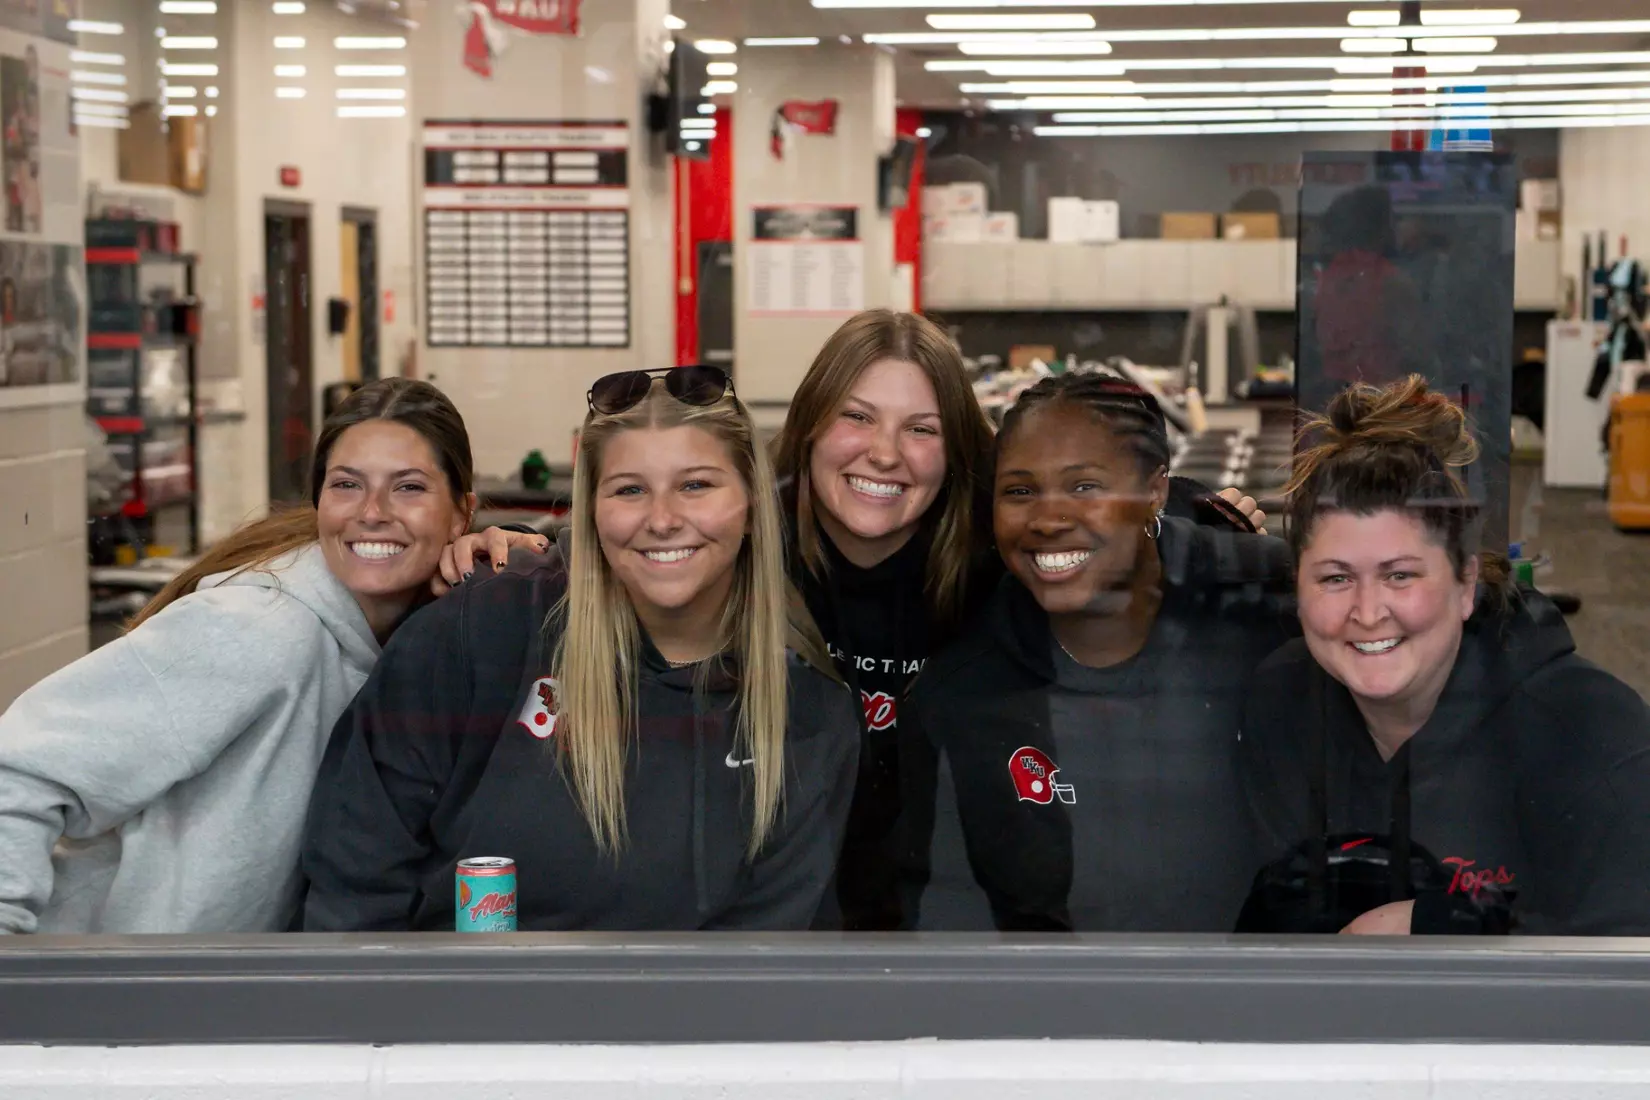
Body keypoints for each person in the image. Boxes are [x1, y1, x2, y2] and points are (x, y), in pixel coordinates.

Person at [301, 366, 861, 931]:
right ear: (592, 513)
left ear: (752, 509)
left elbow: (767, 968)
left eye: (696, 485)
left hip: (683, 1018)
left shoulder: (807, 714)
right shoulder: (481, 633)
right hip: (454, 1013)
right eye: (629, 489)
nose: (662, 519)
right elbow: (353, 889)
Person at [771, 310, 1268, 930]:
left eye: (921, 428)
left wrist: (1189, 515)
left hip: (926, 908)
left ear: (958, 449)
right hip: (793, 915)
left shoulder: (1004, 554)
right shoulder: (746, 555)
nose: (884, 452)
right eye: (857, 415)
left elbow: (1102, 501)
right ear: (810, 424)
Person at [0, 378, 539, 934]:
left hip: (218, 998)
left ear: (460, 514)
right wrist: (15, 976)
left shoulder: (412, 643)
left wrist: (520, 572)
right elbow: (17, 771)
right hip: (104, 1001)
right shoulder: (259, 630)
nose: (372, 512)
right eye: (347, 484)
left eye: (408, 488)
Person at [1238, 376, 1650, 936]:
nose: (1367, 611)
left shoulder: (1590, 733)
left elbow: (1625, 966)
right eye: (1335, 578)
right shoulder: (1281, 705)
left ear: (1464, 584)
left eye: (1400, 575)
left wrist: (1432, 925)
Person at [903, 372, 1297, 932]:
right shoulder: (962, 693)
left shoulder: (1265, 613)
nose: (1048, 518)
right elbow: (949, 921)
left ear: (1156, 490)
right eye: (1019, 491)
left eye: (1085, 486)